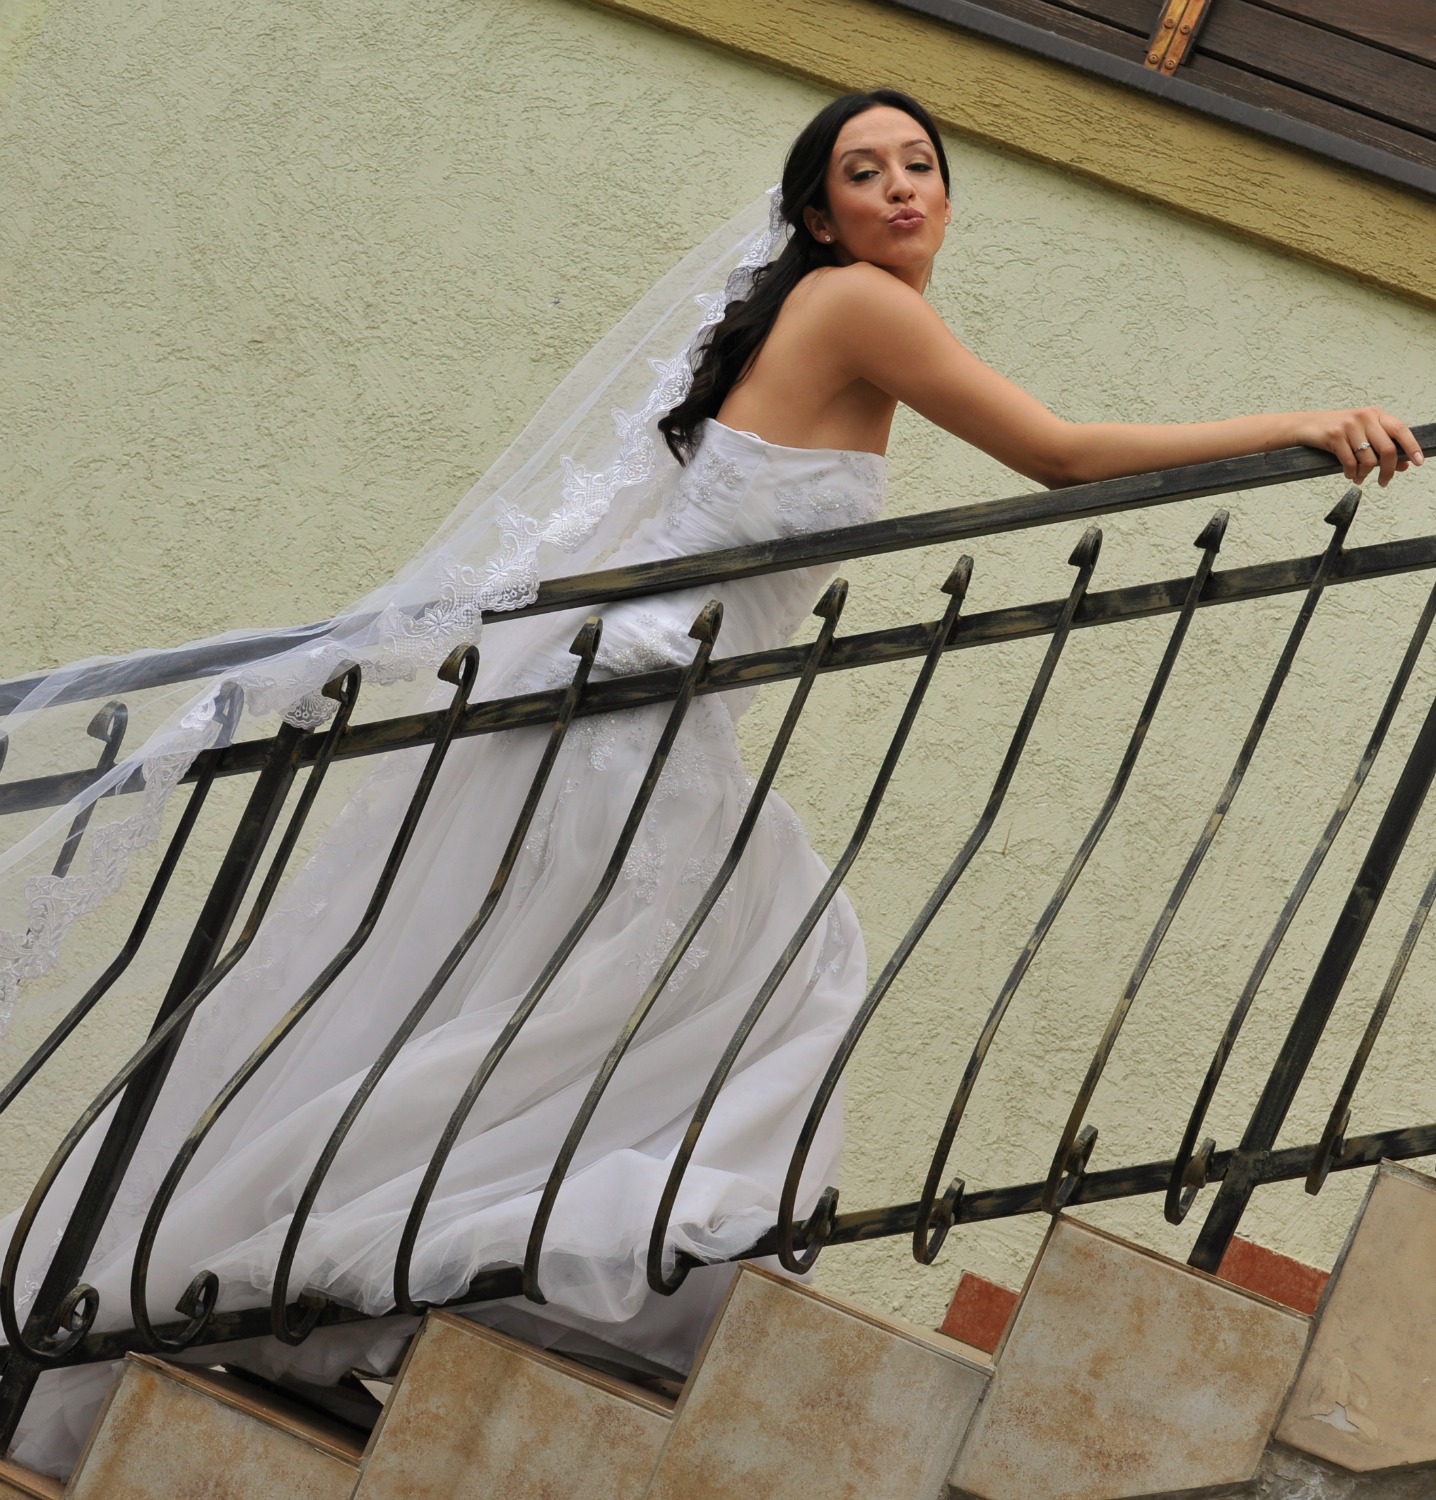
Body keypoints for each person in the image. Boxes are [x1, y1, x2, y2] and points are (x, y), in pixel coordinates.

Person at [0, 87, 1422, 1477]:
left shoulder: (834, 311)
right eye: (864, 172)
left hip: (637, 709)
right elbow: (1056, 454)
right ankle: (334, 1267)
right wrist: (1298, 424)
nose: (902, 187)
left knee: (569, 999)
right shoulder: (859, 304)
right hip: (633, 713)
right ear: (820, 216)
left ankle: (331, 1268)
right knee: (736, 976)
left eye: (920, 163)